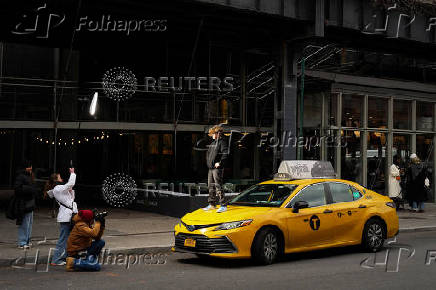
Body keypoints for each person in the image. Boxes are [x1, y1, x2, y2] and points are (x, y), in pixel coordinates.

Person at [45, 168, 77, 266]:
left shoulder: (59, 189)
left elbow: (70, 199)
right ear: (56, 180)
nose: (61, 178)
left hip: (69, 215)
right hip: (66, 217)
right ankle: (56, 259)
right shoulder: (58, 188)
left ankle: (65, 257)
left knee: (69, 238)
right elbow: (71, 183)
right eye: (59, 177)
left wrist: (71, 191)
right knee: (63, 238)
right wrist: (72, 173)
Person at [204, 125, 229, 213]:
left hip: (217, 168)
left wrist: (220, 163)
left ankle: (223, 205)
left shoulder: (222, 142)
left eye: (213, 134)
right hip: (211, 168)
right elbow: (208, 154)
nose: (212, 136)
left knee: (218, 185)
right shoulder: (213, 143)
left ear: (218, 133)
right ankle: (212, 204)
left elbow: (225, 153)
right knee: (210, 185)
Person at [14, 160, 38, 249]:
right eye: (30, 166)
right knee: (24, 223)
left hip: (29, 202)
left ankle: (26, 241)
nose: (31, 168)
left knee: (29, 223)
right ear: (27, 167)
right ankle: (22, 242)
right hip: (24, 202)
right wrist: (30, 189)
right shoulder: (21, 176)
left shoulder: (29, 175)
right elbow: (17, 188)